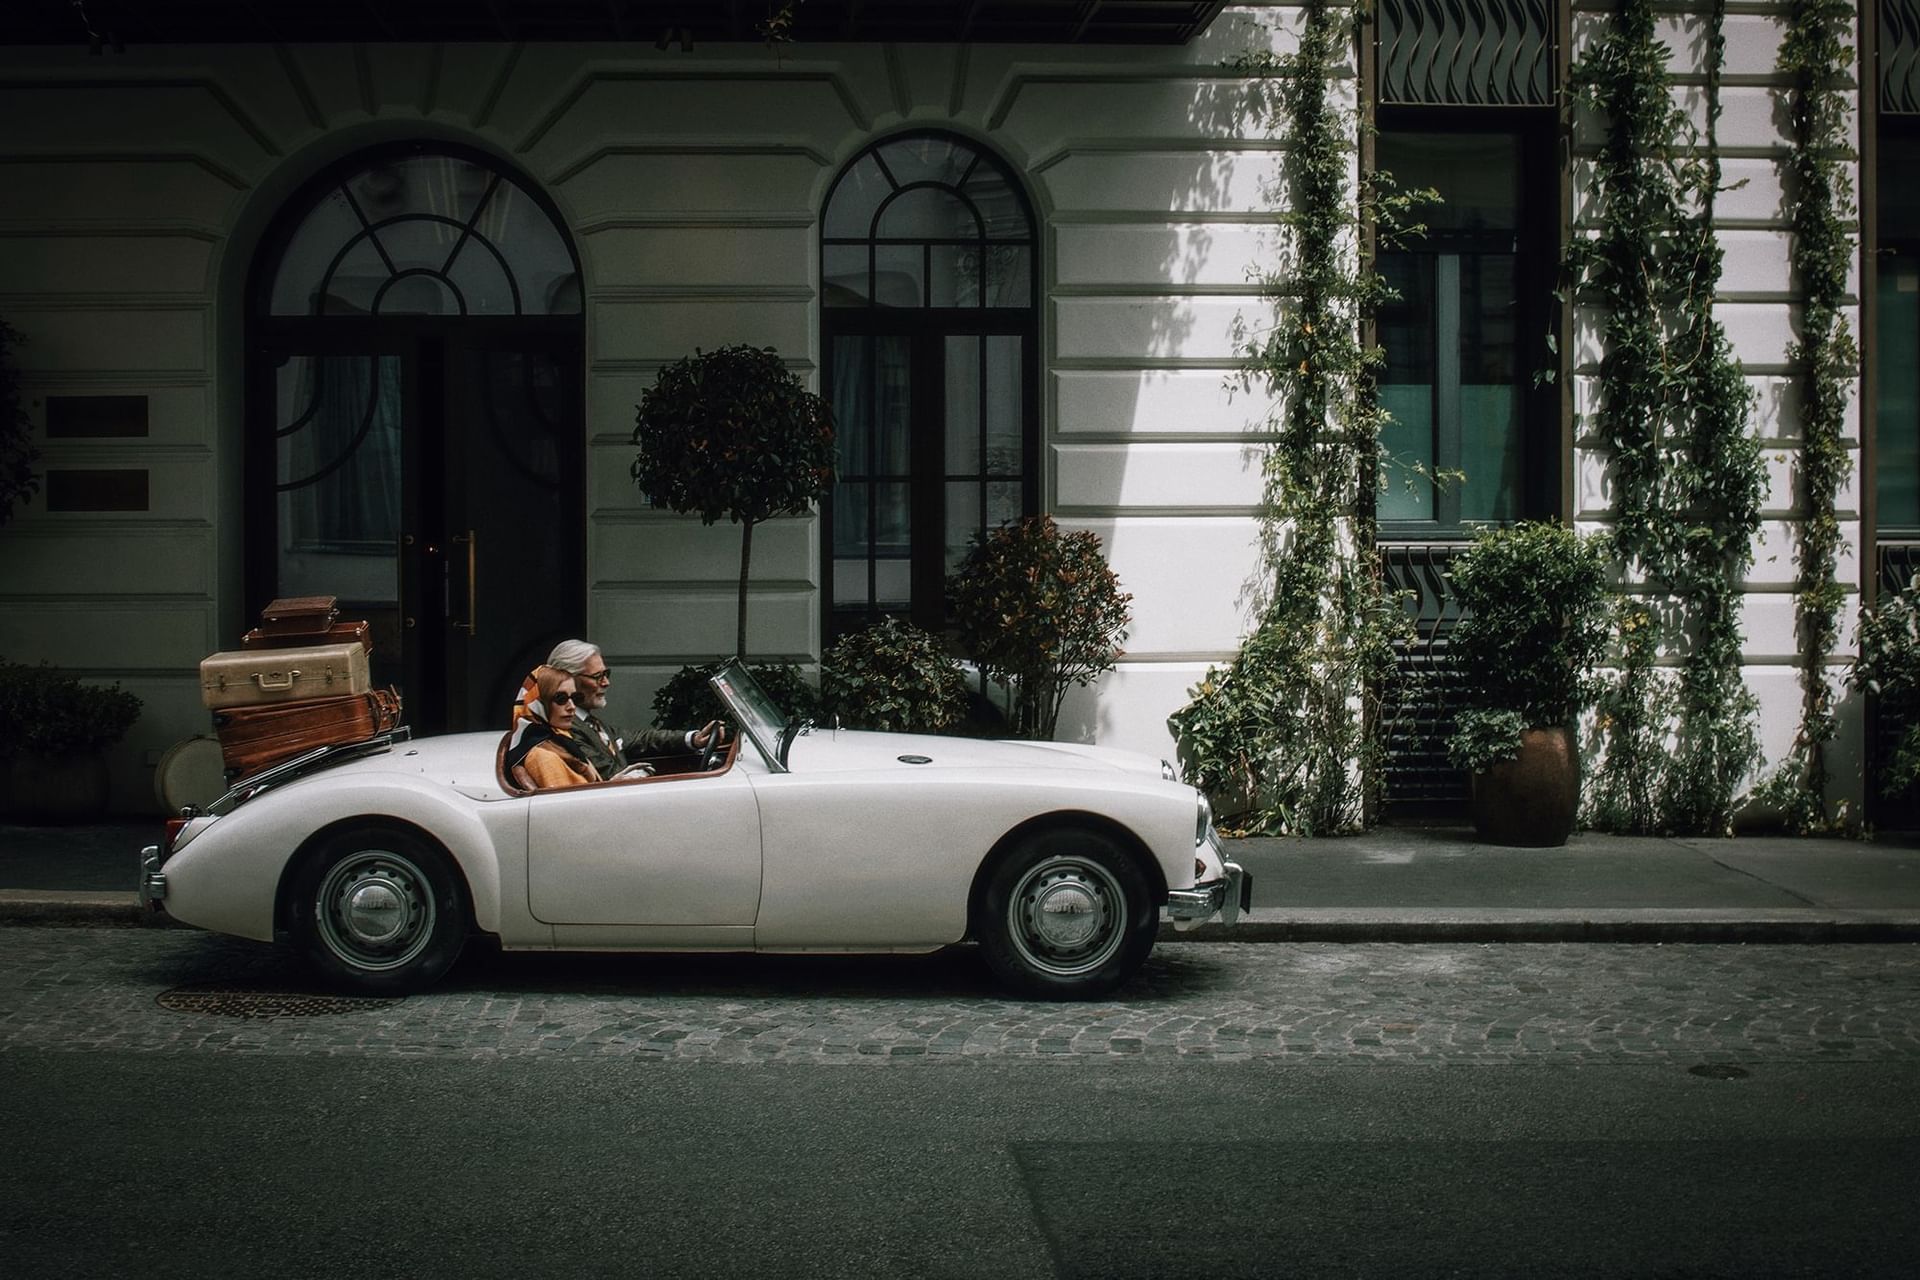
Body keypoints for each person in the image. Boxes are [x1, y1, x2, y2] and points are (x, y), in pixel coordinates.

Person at [544, 638, 726, 779]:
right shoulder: (566, 728)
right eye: (597, 676)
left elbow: (640, 739)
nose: (606, 683)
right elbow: (611, 775)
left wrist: (694, 738)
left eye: (606, 674)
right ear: (568, 680)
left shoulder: (588, 722)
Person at [504, 665, 602, 791]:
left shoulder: (560, 740)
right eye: (561, 699)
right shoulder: (542, 756)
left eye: (575, 698)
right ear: (538, 703)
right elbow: (564, 807)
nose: (572, 706)